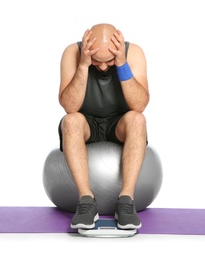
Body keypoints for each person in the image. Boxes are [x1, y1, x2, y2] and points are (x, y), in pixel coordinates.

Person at [58, 23, 149, 230]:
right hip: (86, 122)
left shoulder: (133, 53)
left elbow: (140, 105)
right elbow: (70, 106)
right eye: (96, 61)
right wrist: (83, 66)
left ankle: (126, 201)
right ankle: (86, 202)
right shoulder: (72, 53)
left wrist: (121, 64)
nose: (102, 67)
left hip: (119, 123)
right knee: (70, 121)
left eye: (108, 61)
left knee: (137, 119)